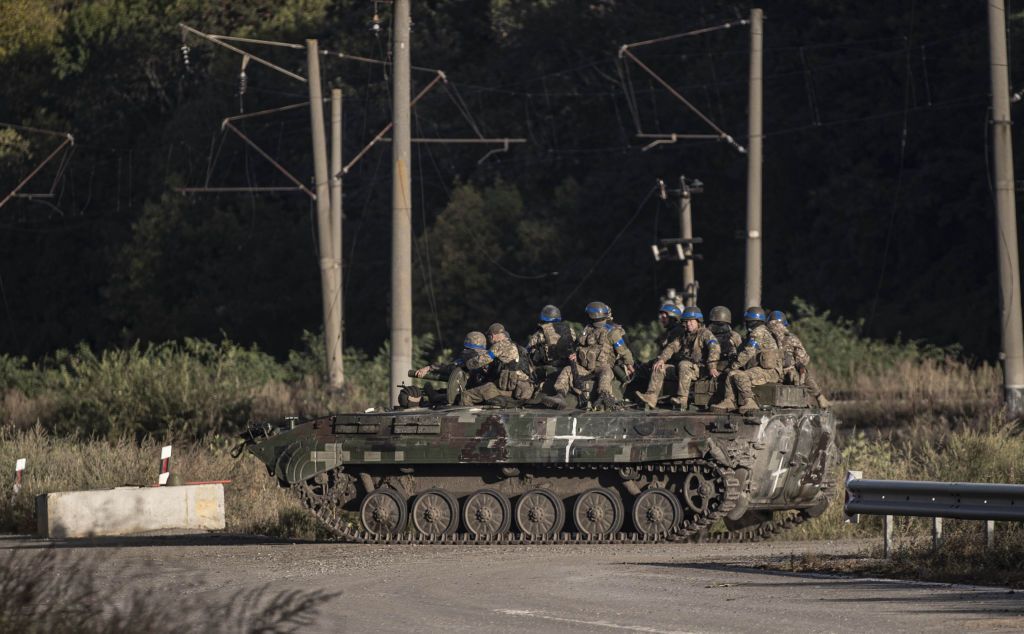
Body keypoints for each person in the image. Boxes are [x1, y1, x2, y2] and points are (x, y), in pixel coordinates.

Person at [552, 301, 635, 410]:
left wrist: (629, 365)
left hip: (602, 366)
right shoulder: (587, 330)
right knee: (568, 369)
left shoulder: (612, 332)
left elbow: (624, 351)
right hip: (584, 366)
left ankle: (604, 396)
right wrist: (574, 355)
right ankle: (560, 395)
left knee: (606, 372)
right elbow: (578, 346)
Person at [636, 306, 718, 410]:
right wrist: (662, 359)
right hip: (683, 368)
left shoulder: (705, 334)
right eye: (686, 322)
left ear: (698, 321)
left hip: (700, 369)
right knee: (659, 366)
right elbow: (672, 347)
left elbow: (714, 348)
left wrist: (712, 366)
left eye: (691, 321)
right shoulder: (684, 335)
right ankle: (651, 397)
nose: (688, 324)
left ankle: (682, 399)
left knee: (683, 364)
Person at [713, 306, 782, 413]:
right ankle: (728, 401)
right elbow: (742, 350)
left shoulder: (758, 332)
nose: (746, 324)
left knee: (739, 375)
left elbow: (748, 352)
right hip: (762, 369)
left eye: (748, 322)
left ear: (753, 322)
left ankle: (749, 401)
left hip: (770, 372)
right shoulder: (756, 333)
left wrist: (733, 365)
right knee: (732, 374)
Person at [767, 310, 831, 409]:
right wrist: (799, 365)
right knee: (804, 373)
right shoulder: (791, 338)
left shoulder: (764, 337)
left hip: (768, 373)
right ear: (784, 325)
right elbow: (803, 358)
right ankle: (820, 398)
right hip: (787, 373)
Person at [461, 323, 536, 406]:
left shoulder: (499, 346)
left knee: (466, 395)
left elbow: (481, 361)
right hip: (525, 389)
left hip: (511, 387)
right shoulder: (517, 347)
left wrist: (466, 364)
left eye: (489, 336)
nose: (489, 339)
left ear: (492, 335)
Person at [412, 331, 491, 405]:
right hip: (487, 393)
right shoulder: (489, 355)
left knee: (434, 395)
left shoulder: (470, 354)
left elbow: (451, 368)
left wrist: (429, 368)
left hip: (470, 394)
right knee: (443, 391)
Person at [526, 304, 577, 382]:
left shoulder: (541, 332)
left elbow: (528, 350)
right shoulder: (569, 329)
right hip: (568, 362)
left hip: (550, 364)